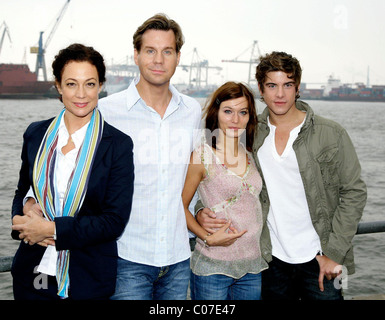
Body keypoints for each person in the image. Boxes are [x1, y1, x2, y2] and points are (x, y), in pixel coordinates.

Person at [196, 51, 367, 300]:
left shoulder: (331, 133)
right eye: (272, 85)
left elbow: (354, 192)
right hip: (269, 259)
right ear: (261, 89)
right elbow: (223, 178)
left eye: (287, 84)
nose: (279, 94)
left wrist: (334, 253)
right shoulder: (250, 133)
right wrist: (202, 210)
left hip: (319, 258)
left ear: (297, 88)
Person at [11, 43, 134, 300]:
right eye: (71, 84)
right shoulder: (36, 134)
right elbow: (23, 189)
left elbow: (114, 220)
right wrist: (25, 208)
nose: (81, 94)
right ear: (58, 86)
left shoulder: (118, 145)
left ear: (100, 85)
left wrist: (51, 229)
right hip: (33, 273)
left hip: (86, 278)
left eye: (89, 84)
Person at [97, 14, 202, 300]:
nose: (158, 60)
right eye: (150, 51)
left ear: (178, 57)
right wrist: (33, 200)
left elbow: (200, 173)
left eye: (167, 51)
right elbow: (70, 165)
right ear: (136, 55)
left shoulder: (192, 111)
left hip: (179, 258)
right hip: (126, 257)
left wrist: (203, 211)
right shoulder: (106, 112)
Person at [182, 81, 267, 300]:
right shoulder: (202, 156)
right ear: (216, 113)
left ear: (250, 116)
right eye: (228, 111)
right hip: (213, 267)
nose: (235, 119)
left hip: (252, 266)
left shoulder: (250, 154)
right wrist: (206, 237)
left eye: (243, 112)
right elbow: (180, 206)